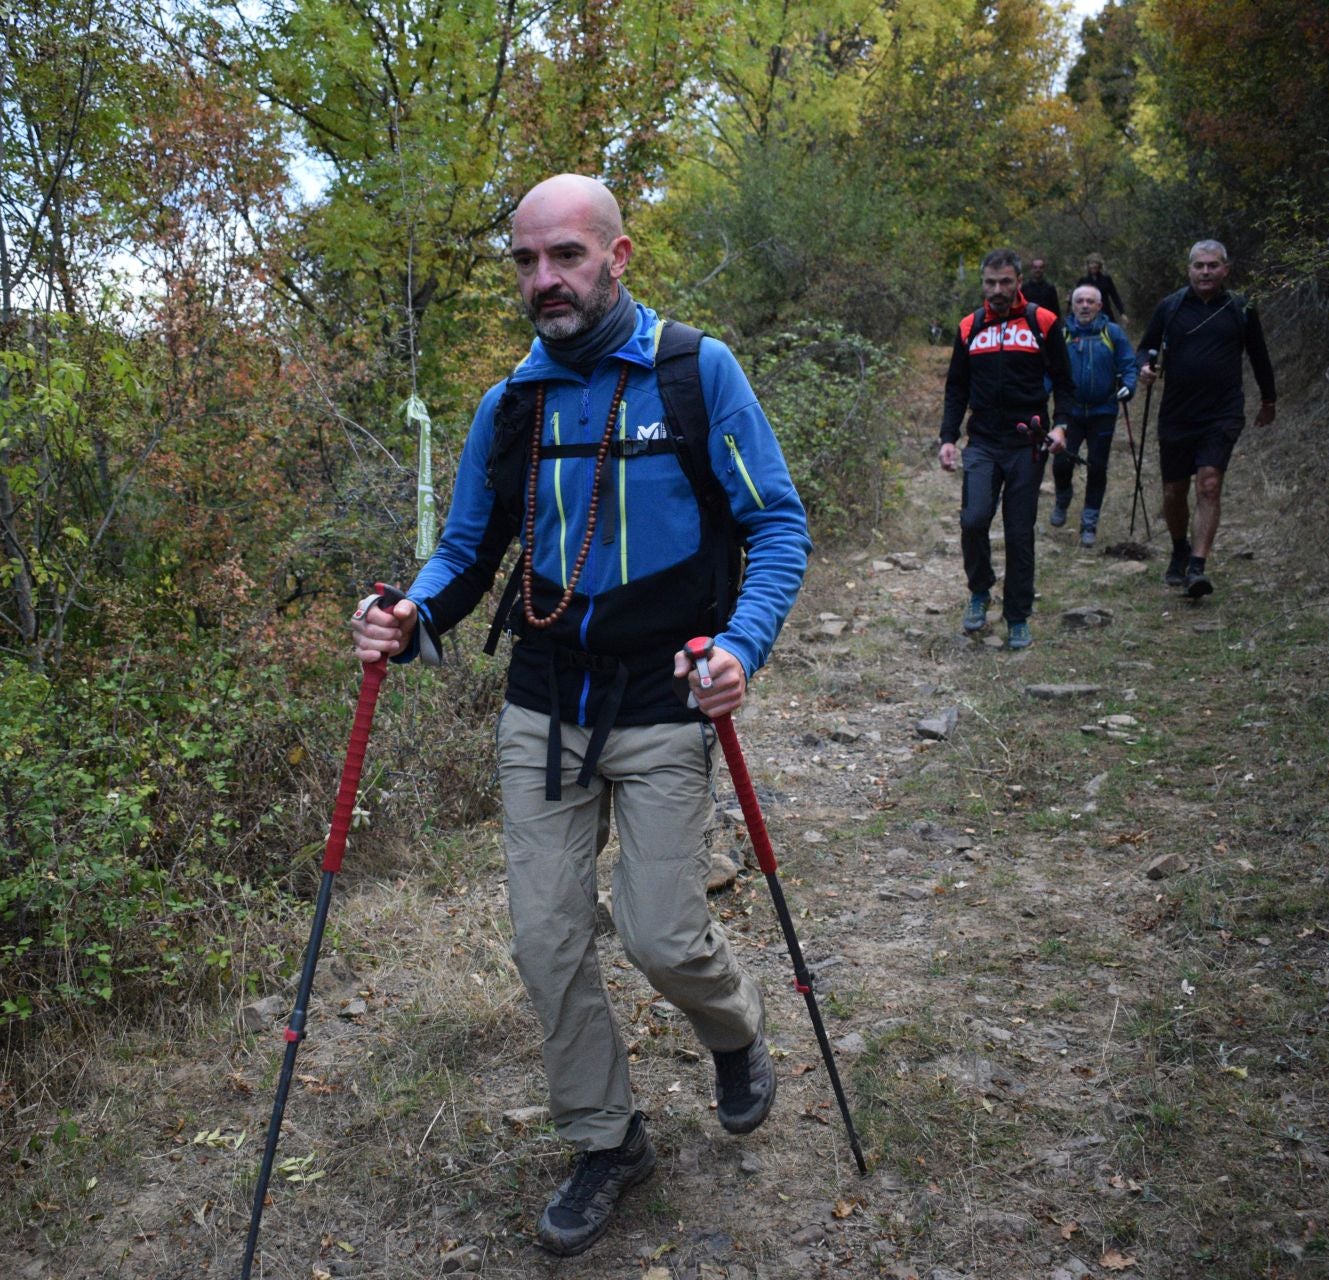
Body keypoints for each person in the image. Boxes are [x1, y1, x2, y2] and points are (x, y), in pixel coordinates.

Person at [349, 174, 811, 1258]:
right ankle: (608, 1136)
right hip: (545, 700)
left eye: (565, 256)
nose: (543, 280)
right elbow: (465, 552)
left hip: (665, 695)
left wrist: (738, 649)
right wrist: (405, 614)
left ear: (620, 254)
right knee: (547, 939)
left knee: (658, 931)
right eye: (525, 260)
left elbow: (776, 522)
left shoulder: (696, 373)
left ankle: (736, 1030)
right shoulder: (511, 403)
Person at [939, 248, 1074, 649]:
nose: (997, 290)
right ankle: (980, 590)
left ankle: (1018, 616)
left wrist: (1062, 425)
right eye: (989, 283)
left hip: (1026, 444)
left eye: (1004, 283)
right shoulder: (969, 326)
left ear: (1018, 282)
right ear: (982, 283)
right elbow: (956, 388)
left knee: (1019, 532)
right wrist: (948, 437)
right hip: (982, 441)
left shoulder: (1042, 321)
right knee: (973, 519)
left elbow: (1064, 382)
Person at [1136, 239, 1277, 598]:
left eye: (1213, 265)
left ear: (1226, 270)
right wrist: (1144, 368)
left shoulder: (1241, 308)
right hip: (1177, 413)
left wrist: (1268, 399)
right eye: (1199, 265)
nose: (1205, 272)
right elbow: (1145, 347)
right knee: (1174, 491)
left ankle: (1197, 566)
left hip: (1222, 411)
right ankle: (1180, 547)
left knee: (1209, 483)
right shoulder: (1170, 307)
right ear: (1189, 269)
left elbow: (1259, 355)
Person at [1050, 282, 1138, 548]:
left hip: (1103, 410)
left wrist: (1128, 386)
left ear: (1100, 306)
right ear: (1072, 305)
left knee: (1098, 466)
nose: (1085, 306)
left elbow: (1128, 364)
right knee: (1062, 461)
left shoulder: (1112, 333)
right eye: (1080, 301)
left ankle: (1089, 522)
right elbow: (1048, 368)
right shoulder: (1061, 333)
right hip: (1071, 411)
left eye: (1091, 301)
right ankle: (1063, 496)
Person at [1075, 252, 1126, 323]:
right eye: (1091, 263)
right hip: (1090, 315)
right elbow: (1076, 299)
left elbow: (1115, 296)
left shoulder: (1106, 279)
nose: (1093, 266)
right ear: (1088, 266)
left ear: (1099, 266)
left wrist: (1122, 313)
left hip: (1106, 313)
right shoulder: (1083, 281)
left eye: (1096, 264)